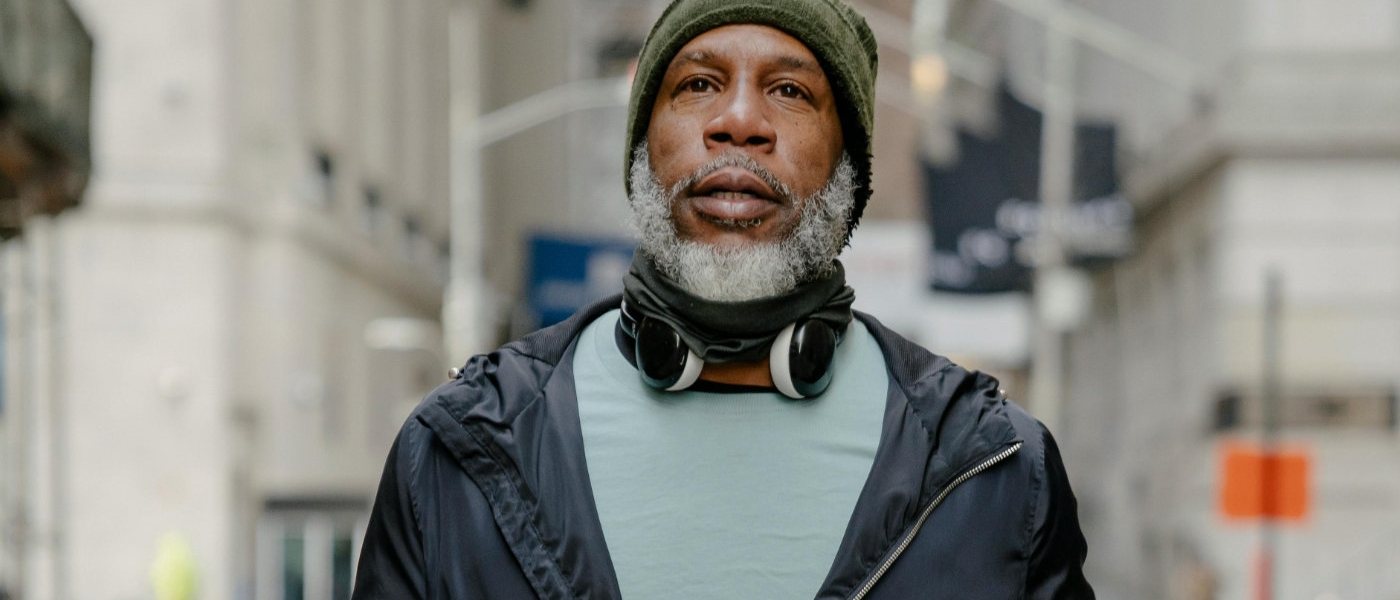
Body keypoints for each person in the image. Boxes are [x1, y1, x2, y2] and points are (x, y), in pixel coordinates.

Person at [351, 0, 1095, 596]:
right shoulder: (456, 451)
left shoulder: (995, 468)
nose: (738, 121)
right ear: (644, 148)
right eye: (698, 83)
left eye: (790, 90)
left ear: (848, 166)